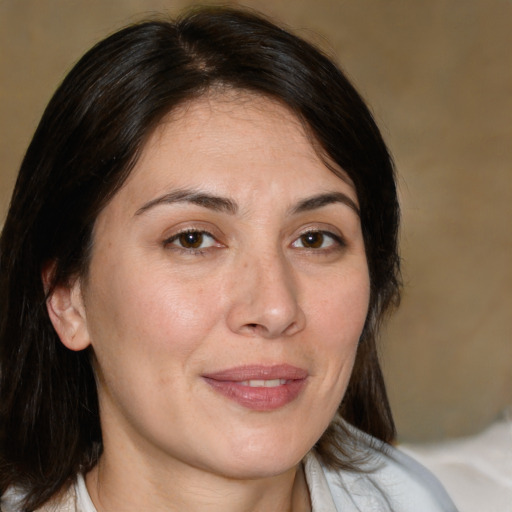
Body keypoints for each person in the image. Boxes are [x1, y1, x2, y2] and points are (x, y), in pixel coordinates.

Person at [0, 6, 457, 512]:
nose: (275, 308)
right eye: (193, 239)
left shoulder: (408, 498)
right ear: (67, 298)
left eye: (314, 239)